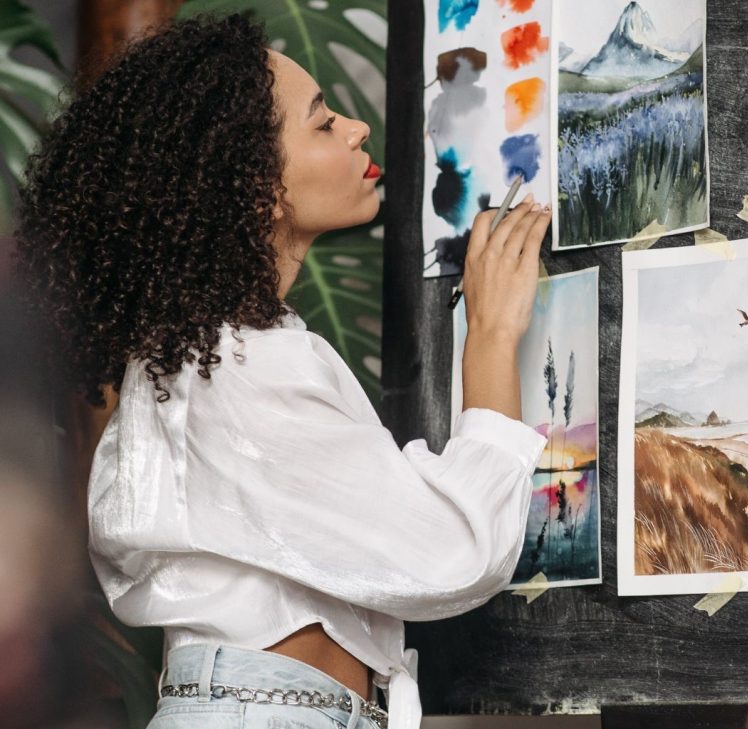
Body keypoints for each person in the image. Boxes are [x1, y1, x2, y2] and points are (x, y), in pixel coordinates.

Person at [13, 13, 551, 729]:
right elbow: (455, 550)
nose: (359, 128)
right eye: (324, 123)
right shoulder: (234, 369)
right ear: (254, 185)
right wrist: (490, 335)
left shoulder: (210, 358)